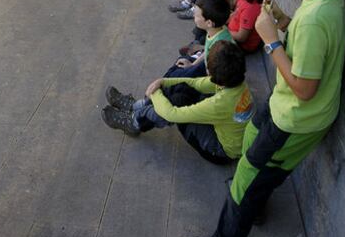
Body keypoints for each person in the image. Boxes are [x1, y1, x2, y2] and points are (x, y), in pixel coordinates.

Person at [180, 0, 345, 237]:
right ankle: (254, 193)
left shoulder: (316, 18)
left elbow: (305, 88)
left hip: (296, 117)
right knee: (252, 138)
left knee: (247, 179)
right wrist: (281, 21)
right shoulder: (325, 1)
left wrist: (270, 41)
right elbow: (308, 46)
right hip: (281, 107)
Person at [102, 40, 255, 165]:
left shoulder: (220, 104)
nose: (205, 66)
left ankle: (134, 122)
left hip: (220, 152)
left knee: (177, 103)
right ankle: (137, 108)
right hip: (227, 129)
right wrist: (164, 82)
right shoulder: (237, 81)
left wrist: (155, 94)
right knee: (183, 91)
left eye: (207, 65)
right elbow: (196, 83)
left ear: (216, 76)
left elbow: (172, 114)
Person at [162, 0, 234, 80]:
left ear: (209, 23)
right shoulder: (217, 30)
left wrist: (192, 69)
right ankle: (195, 54)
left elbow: (214, 76)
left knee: (177, 75)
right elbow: (208, 52)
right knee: (179, 64)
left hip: (212, 76)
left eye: (196, 15)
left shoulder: (220, 45)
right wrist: (192, 65)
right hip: (208, 64)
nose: (193, 16)